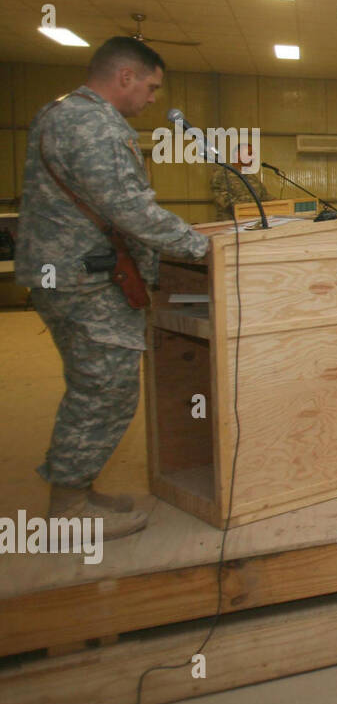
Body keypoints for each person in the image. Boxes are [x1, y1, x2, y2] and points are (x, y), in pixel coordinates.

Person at [16, 36, 211, 537]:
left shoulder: (54, 113)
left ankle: (76, 491)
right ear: (125, 75)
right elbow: (130, 208)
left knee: (90, 385)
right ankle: (67, 512)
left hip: (59, 274)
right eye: (151, 87)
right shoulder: (98, 125)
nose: (152, 99)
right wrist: (202, 246)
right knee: (106, 391)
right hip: (90, 280)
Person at [209, 140, 268, 218]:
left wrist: (280, 203)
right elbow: (223, 200)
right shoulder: (222, 174)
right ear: (238, 155)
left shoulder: (251, 176)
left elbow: (264, 196)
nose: (253, 157)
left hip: (251, 222)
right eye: (249, 154)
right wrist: (250, 208)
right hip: (230, 225)